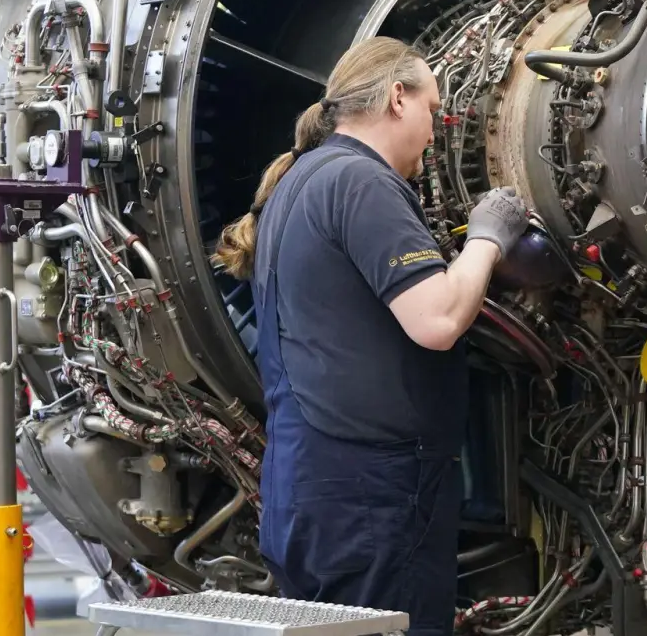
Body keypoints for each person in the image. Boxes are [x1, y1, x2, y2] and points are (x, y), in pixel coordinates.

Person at [211, 36, 529, 635]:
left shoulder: (300, 180)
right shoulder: (362, 182)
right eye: (433, 109)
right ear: (397, 98)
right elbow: (435, 319)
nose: (436, 131)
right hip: (369, 503)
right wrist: (488, 235)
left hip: (307, 490)